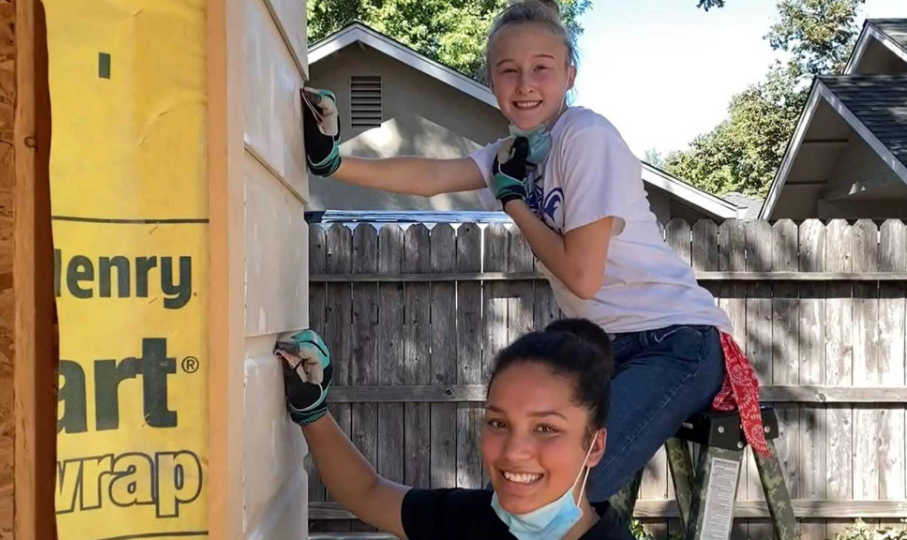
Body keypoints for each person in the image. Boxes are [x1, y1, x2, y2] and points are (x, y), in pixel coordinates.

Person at [300, 0, 770, 502]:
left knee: (558, 488)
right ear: (491, 81)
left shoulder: (585, 138)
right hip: (606, 347)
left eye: (541, 68)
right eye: (508, 70)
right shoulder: (517, 153)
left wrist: (513, 202)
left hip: (674, 339)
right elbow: (433, 175)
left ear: (569, 75)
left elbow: (582, 277)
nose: (525, 83)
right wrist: (332, 162)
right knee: (524, 477)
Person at [275, 320, 635, 540]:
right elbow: (368, 494)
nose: (513, 451)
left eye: (545, 428)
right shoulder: (472, 521)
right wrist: (312, 412)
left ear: (594, 445)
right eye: (498, 423)